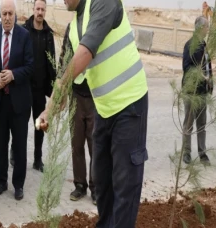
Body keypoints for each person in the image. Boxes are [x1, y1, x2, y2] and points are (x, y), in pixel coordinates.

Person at [37, 0, 149, 227]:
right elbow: (64, 67)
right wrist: (50, 108)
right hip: (104, 109)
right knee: (103, 181)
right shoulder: (75, 24)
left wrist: (60, 94)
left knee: (124, 184)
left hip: (129, 106)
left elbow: (85, 52)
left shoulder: (104, 3)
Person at [0, 0, 34, 200]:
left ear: (15, 15)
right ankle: (1, 181)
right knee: (0, 143)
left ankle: (18, 184)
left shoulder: (25, 36)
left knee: (19, 145)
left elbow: (30, 66)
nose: (6, 18)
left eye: (10, 14)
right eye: (4, 14)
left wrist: (13, 75)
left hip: (19, 102)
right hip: (0, 101)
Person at [11, 0, 55, 172]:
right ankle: (14, 154)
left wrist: (53, 90)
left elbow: (51, 63)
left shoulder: (48, 34)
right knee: (19, 124)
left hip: (39, 89)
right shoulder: (23, 30)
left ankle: (38, 159)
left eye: (43, 9)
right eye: (37, 8)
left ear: (45, 11)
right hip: (23, 87)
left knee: (39, 125)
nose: (40, 12)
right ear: (33, 9)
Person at [58, 21, 95, 203]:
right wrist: (61, 91)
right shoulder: (71, 26)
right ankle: (80, 185)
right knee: (77, 143)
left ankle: (96, 187)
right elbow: (64, 58)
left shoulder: (97, 23)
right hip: (76, 95)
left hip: (96, 95)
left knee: (95, 145)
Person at [181, 16, 212, 166]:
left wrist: (209, 82)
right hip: (191, 91)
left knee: (202, 124)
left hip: (202, 92)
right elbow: (187, 68)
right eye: (206, 27)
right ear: (200, 28)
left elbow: (208, 67)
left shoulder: (204, 46)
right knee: (188, 123)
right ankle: (186, 152)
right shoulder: (190, 45)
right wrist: (200, 76)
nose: (208, 29)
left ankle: (202, 153)